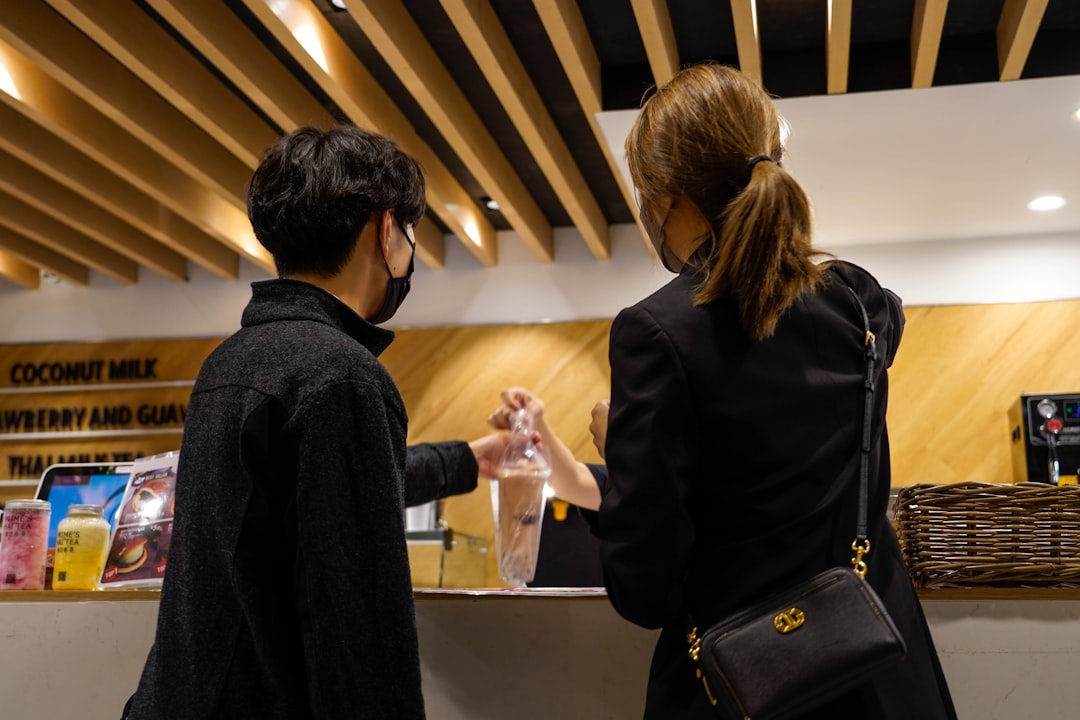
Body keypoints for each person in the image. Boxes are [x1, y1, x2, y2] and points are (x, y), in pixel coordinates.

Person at [495, 64, 956, 719]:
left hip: (747, 684)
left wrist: (623, 447)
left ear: (665, 199)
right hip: (882, 676)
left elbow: (645, 590)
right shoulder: (859, 300)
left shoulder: (657, 333)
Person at [124, 125, 508, 720]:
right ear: (387, 230)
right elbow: (358, 621)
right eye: (411, 232)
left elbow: (309, 498)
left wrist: (466, 461)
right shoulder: (342, 375)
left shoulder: (229, 361)